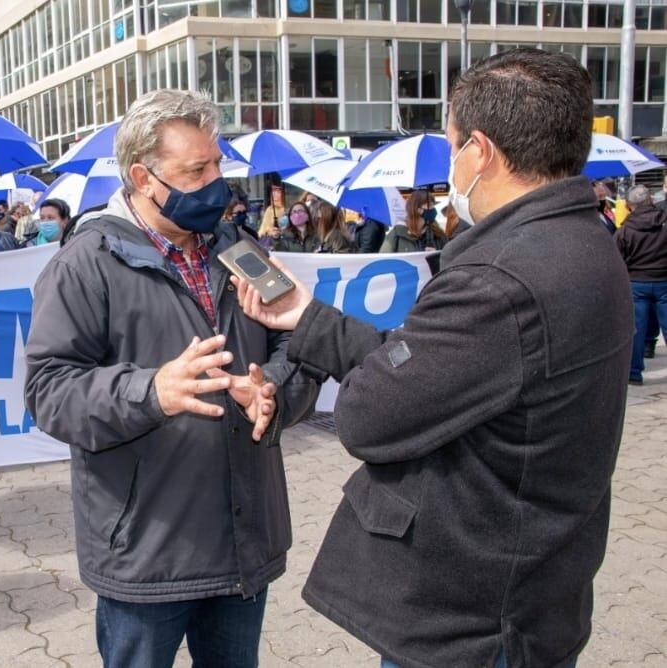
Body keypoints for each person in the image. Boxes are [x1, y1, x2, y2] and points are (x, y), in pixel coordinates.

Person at [229, 48, 632, 668]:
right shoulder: (580, 238)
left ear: (481, 151)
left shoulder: (501, 277)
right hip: (530, 590)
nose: (449, 166)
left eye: (450, 147)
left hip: (475, 618)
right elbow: (428, 374)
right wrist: (307, 318)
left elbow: (372, 414)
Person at [24, 89, 319, 668]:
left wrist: (273, 392)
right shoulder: (85, 265)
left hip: (242, 541)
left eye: (217, 164)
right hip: (146, 552)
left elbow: (297, 341)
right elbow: (49, 390)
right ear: (143, 177)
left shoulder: (239, 247)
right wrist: (151, 391)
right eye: (197, 170)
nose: (218, 182)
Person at [615, 184, 667, 386]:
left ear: (629, 205)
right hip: (663, 280)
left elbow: (617, 259)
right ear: (651, 201)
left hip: (636, 283)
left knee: (636, 329)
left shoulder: (625, 231)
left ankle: (633, 373)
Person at [380, 189, 446, 252]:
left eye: (433, 205)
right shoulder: (397, 234)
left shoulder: (438, 233)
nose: (433, 209)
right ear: (418, 209)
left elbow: (448, 259)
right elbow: (384, 259)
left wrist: (437, 256)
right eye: (430, 205)